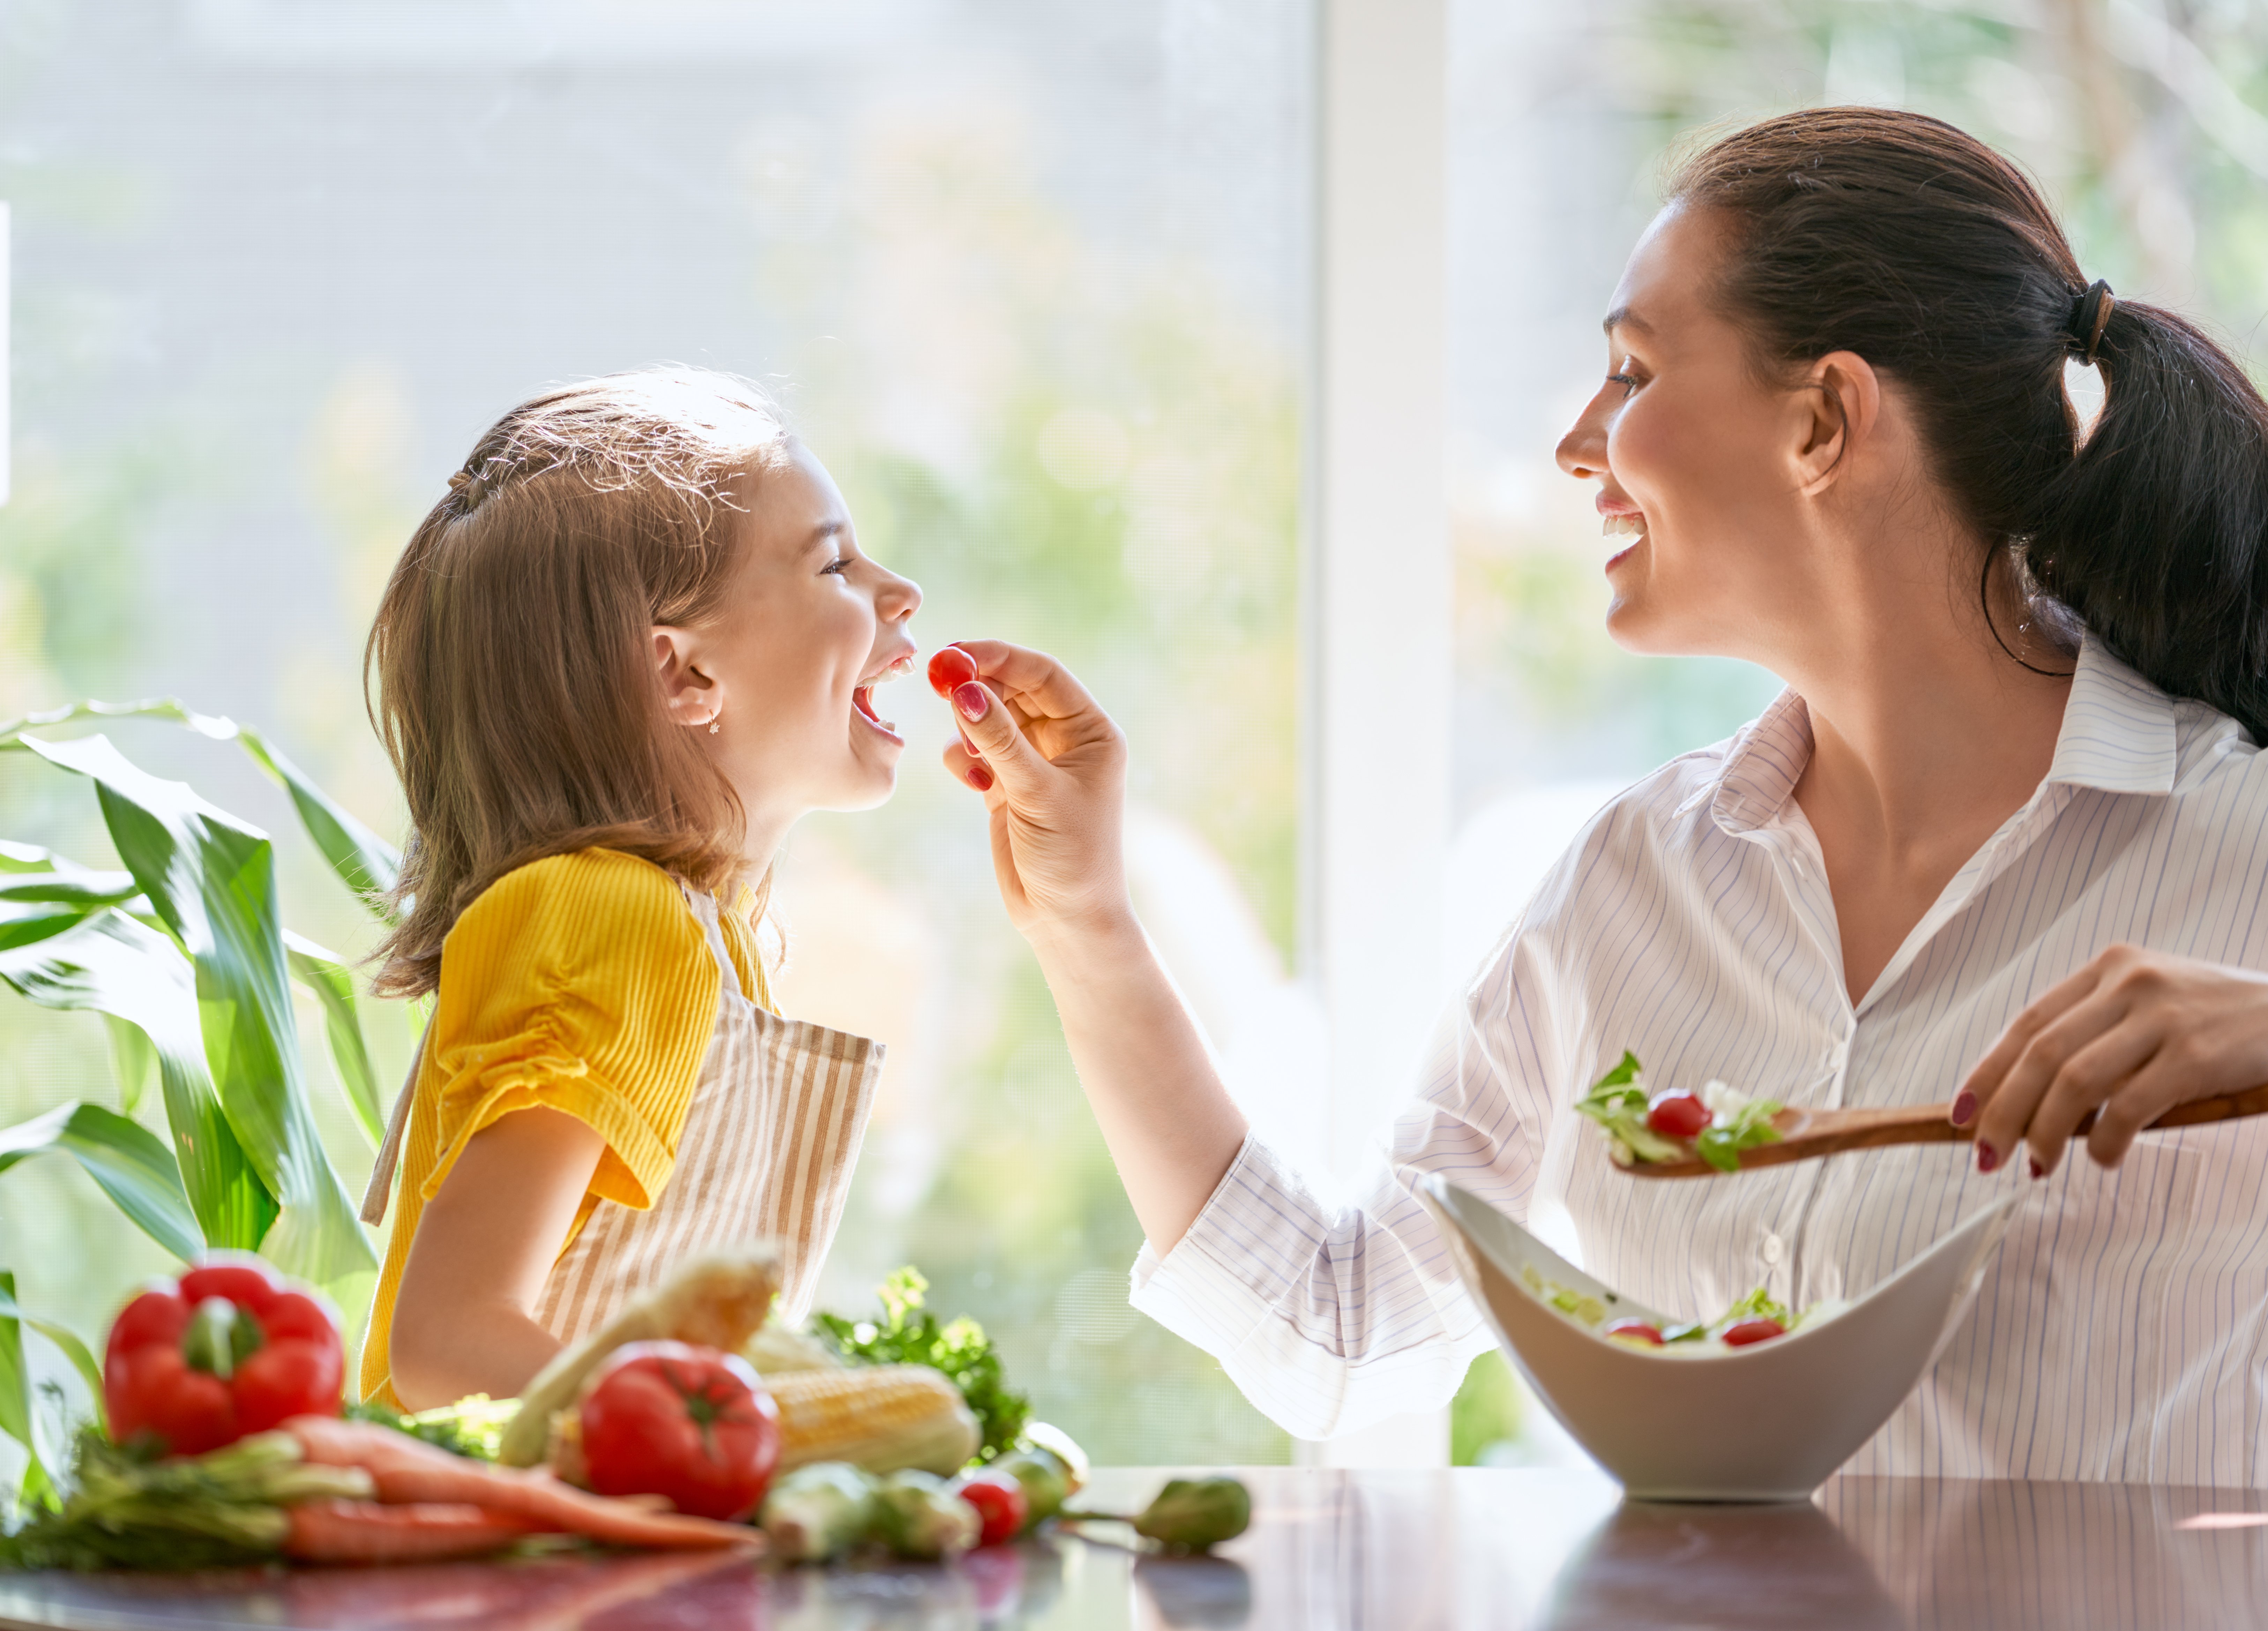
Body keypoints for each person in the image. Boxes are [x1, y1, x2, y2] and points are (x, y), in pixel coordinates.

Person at [934, 108, 2268, 1482]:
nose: (1579, 444)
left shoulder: (2241, 849)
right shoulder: (1634, 885)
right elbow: (1336, 1326)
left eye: (1630, 372)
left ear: (1823, 421)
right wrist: (1082, 918)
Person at [357, 368, 921, 1409]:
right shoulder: (609, 918)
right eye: (833, 564)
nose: (899, 593)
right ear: (682, 676)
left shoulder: (713, 939)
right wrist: (732, 1441)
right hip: (523, 1566)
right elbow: (443, 1340)